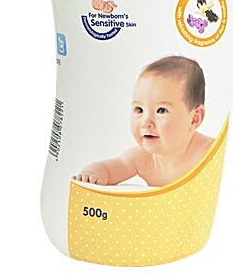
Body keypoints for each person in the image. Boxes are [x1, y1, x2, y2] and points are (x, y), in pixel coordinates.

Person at [72, 56, 213, 187]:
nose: (146, 122)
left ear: (194, 119)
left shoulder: (210, 153)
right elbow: (107, 169)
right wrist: (91, 174)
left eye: (161, 110)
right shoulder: (141, 159)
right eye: (139, 109)